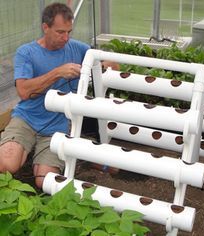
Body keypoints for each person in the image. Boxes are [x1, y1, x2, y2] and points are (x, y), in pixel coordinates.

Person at [0, 2, 118, 189]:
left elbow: (112, 63)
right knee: (7, 164)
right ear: (45, 27)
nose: (66, 38)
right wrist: (57, 73)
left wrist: (98, 67)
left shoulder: (77, 48)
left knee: (44, 181)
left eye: (69, 32)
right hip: (26, 119)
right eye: (60, 32)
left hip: (58, 125)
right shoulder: (27, 52)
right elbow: (23, 92)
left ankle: (63, 154)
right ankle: (30, 149)